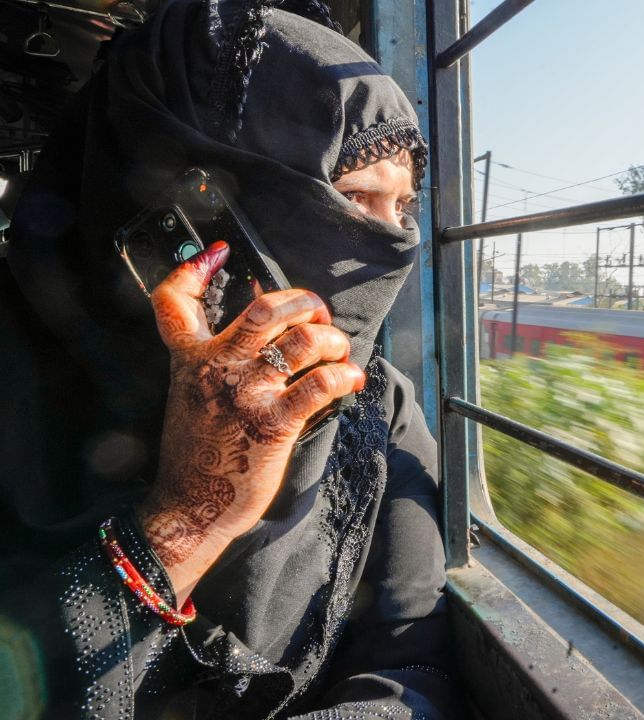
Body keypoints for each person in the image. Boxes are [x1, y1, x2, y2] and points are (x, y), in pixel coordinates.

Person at [0, 0, 458, 717]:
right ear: (183, 194)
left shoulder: (375, 405)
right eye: (354, 198)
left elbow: (412, 661)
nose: (394, 244)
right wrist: (191, 515)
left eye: (402, 209)